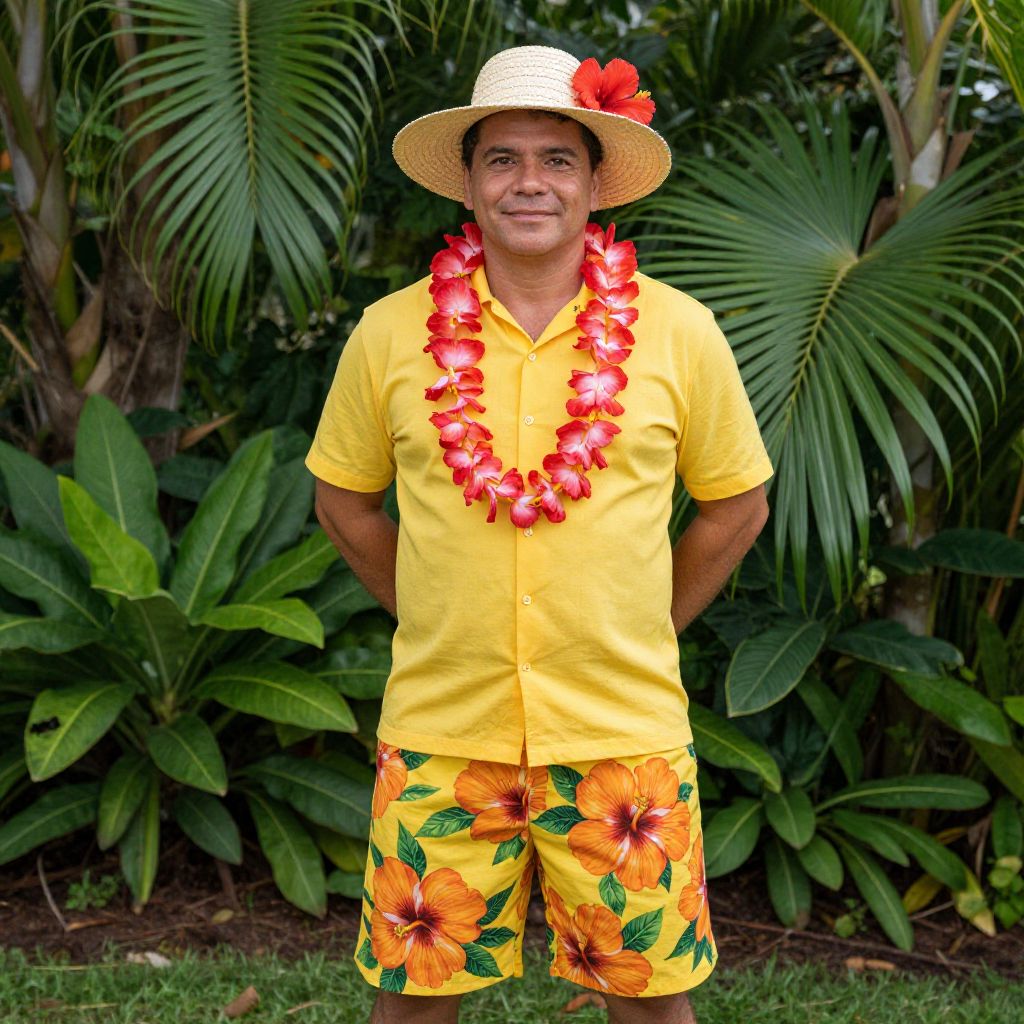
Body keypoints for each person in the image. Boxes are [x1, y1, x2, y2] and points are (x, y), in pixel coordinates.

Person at [306, 44, 773, 1024]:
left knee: (651, 1005)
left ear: (596, 181)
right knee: (415, 1004)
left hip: (622, 734)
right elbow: (344, 500)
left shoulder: (680, 333)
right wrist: (429, 608)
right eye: (503, 158)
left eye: (557, 158)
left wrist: (649, 619)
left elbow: (735, 507)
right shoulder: (388, 335)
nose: (530, 182)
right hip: (442, 732)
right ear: (468, 183)